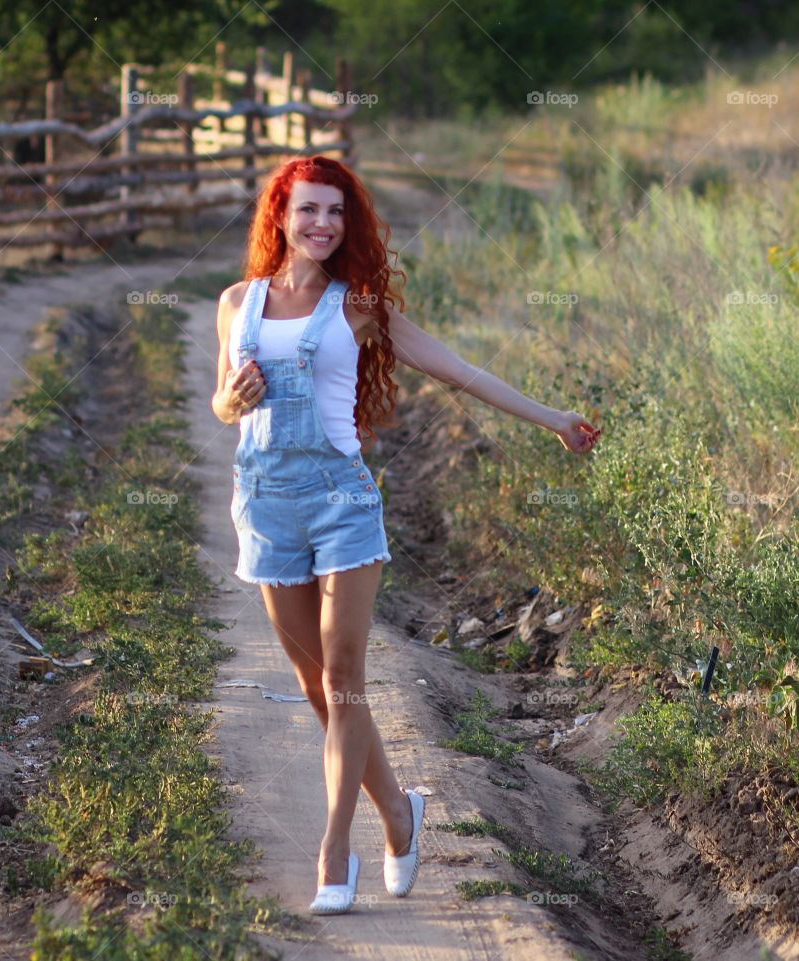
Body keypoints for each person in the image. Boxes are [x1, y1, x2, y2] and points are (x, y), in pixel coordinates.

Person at [211, 155, 600, 915]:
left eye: (335, 212)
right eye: (308, 210)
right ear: (280, 217)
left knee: (347, 672)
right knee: (316, 685)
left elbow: (457, 371)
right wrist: (233, 395)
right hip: (265, 507)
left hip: (342, 505)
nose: (322, 224)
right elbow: (223, 407)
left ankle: (334, 848)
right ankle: (398, 810)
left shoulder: (357, 307)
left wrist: (553, 418)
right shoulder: (237, 304)